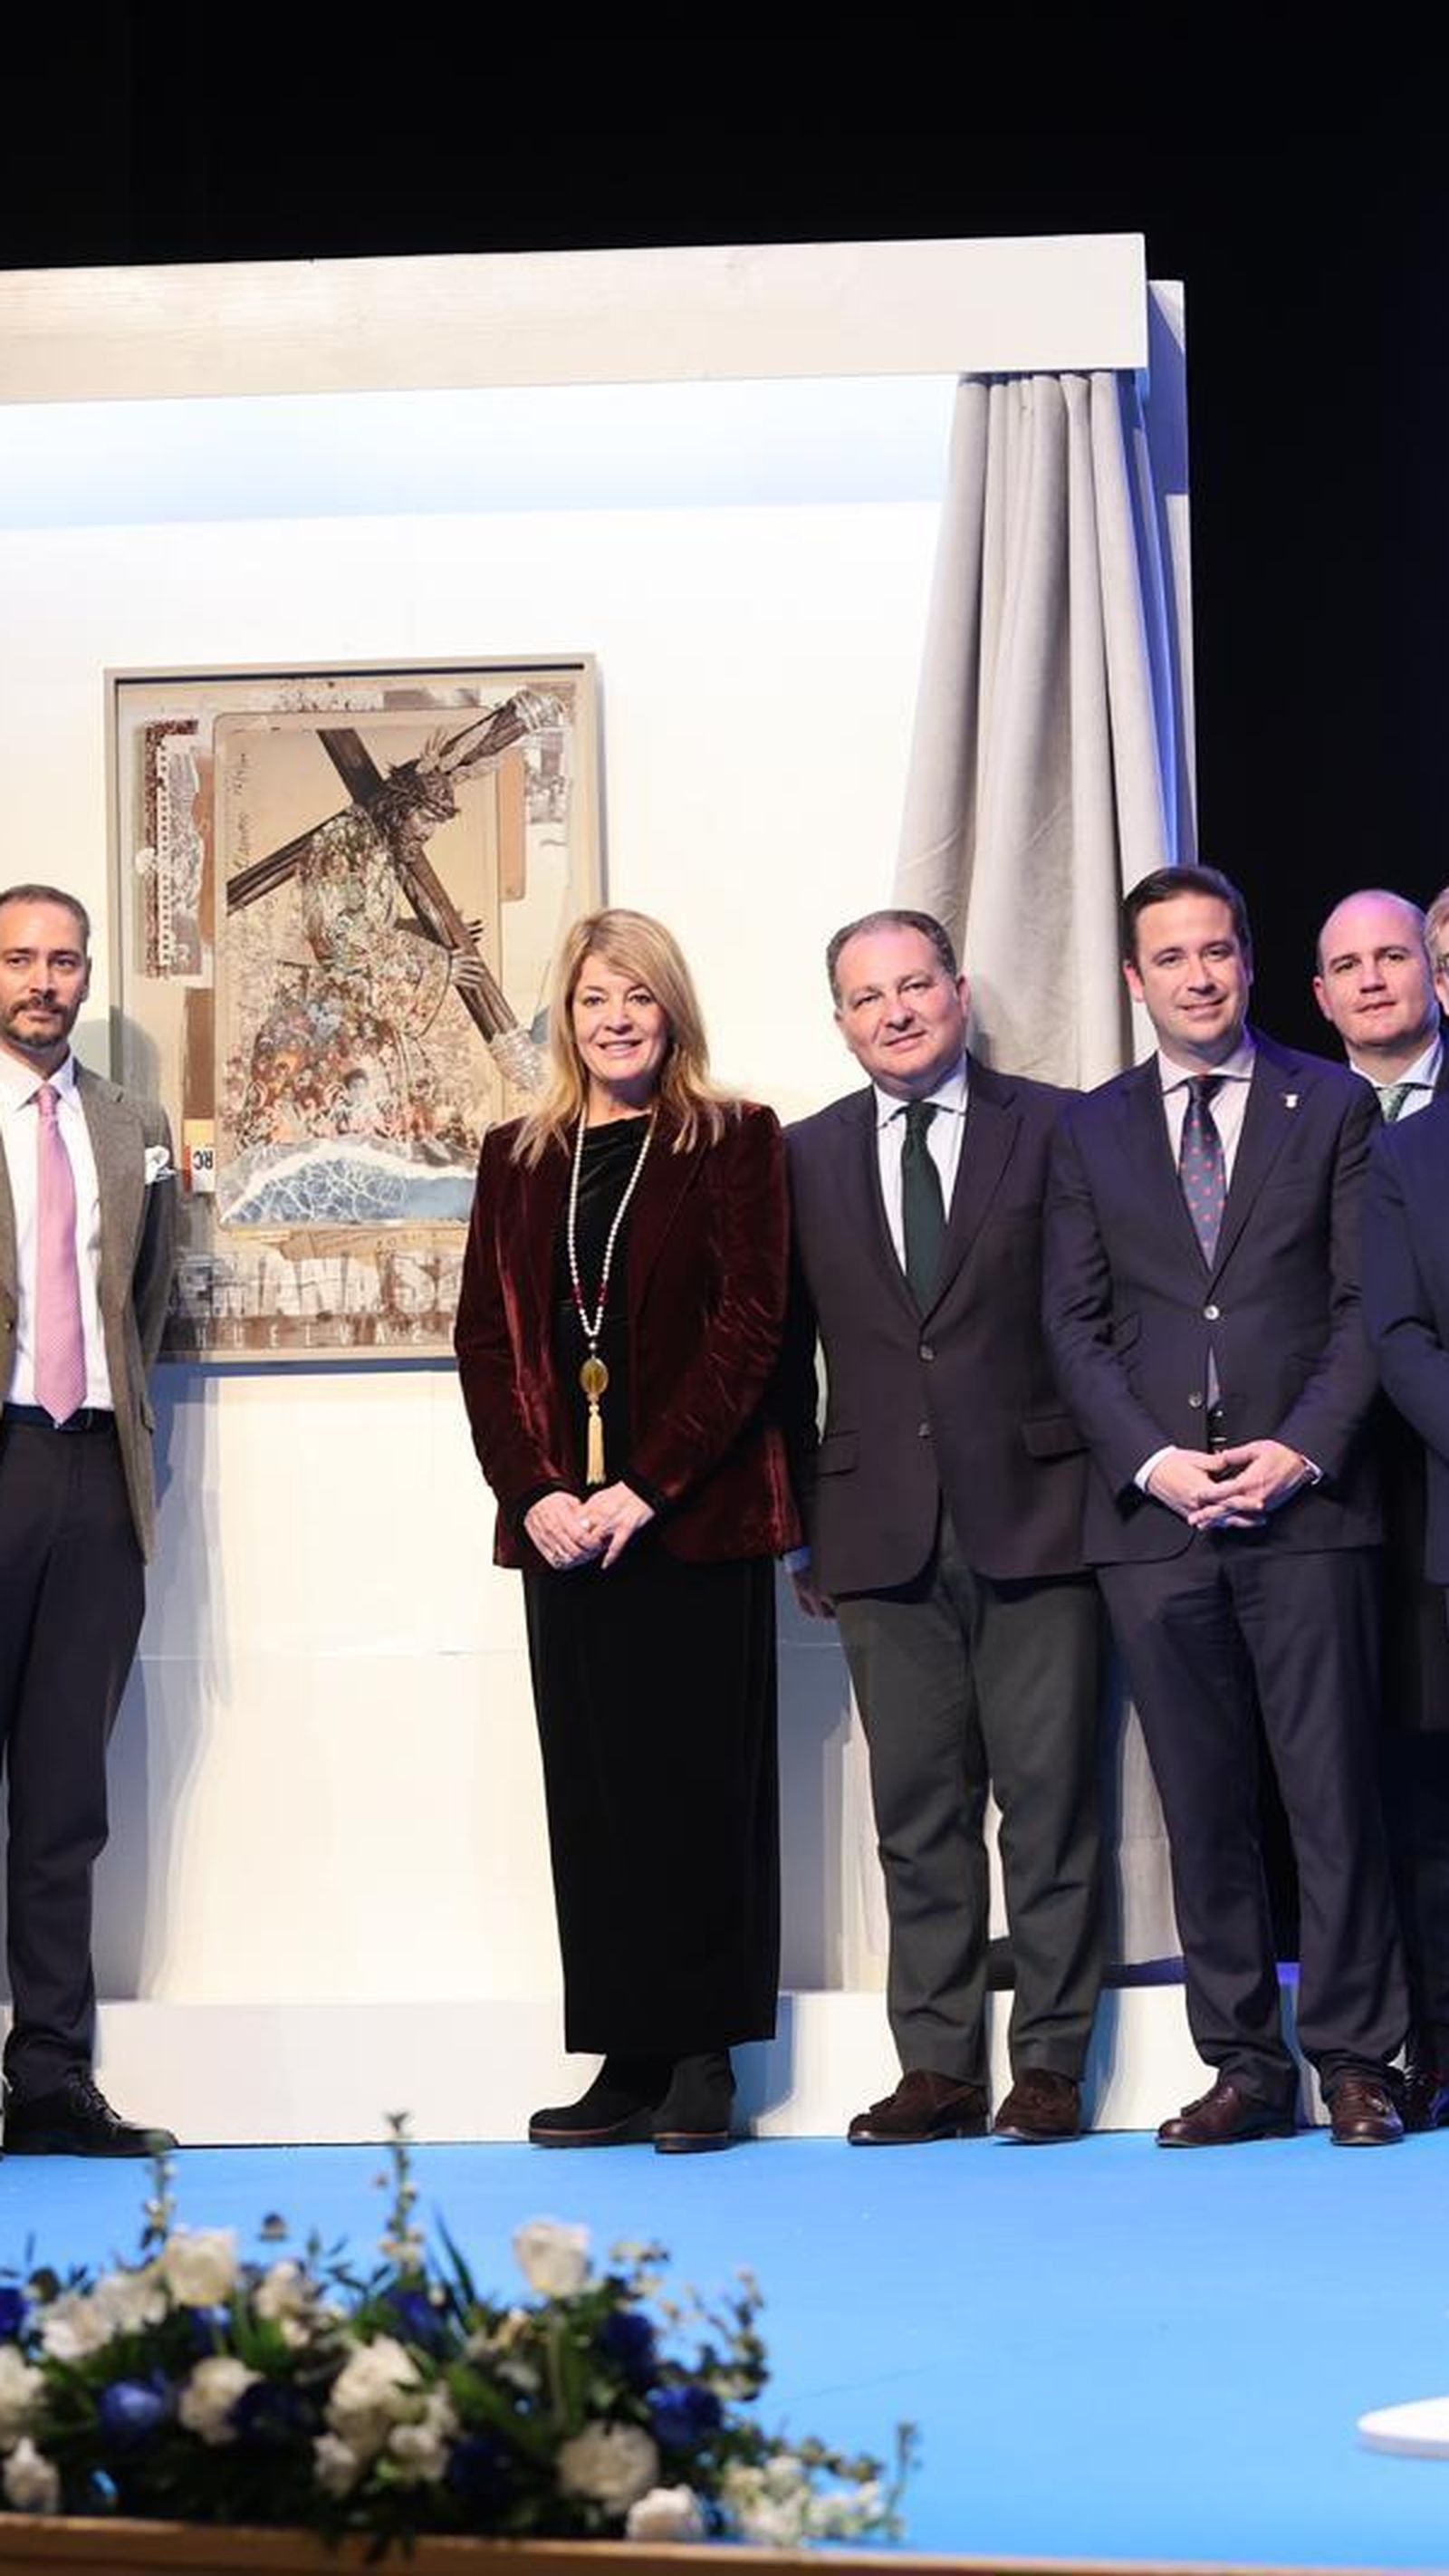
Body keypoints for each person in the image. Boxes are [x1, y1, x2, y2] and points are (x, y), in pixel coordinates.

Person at [1044, 864, 1406, 2147]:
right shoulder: (1088, 1130)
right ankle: (1247, 2068)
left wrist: (1299, 1450)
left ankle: (1360, 2059)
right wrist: (1156, 1462)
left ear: (1247, 964)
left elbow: (1370, 1307)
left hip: (1308, 1510)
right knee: (1204, 1806)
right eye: (1173, 958)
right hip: (1158, 1522)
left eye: (1219, 952)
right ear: (1135, 979)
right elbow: (1074, 1328)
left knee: (1332, 1796)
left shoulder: (1333, 1107)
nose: (1199, 976)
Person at [455, 906, 796, 2152]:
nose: (616, 1020)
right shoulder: (519, 1155)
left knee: (699, 1788)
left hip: (692, 1521)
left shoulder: (734, 1139)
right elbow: (486, 1345)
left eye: (638, 998)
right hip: (562, 1533)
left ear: (673, 1011)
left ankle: (703, 2057)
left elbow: (753, 1330)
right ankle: (625, 2053)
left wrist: (643, 1485)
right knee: (595, 1798)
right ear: (566, 1013)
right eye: (596, 997)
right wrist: (537, 1491)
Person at [784, 908, 1102, 2147]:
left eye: (916, 985)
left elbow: (1097, 1316)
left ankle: (1053, 2065)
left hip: (1041, 1516)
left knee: (1050, 1805)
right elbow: (780, 1357)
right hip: (872, 1531)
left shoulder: (1061, 1126)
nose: (897, 1012)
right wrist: (796, 1524)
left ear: (961, 994)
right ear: (842, 1022)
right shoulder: (803, 1155)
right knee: (916, 1815)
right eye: (869, 998)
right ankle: (939, 2068)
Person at [0, 883, 177, 2157]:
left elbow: (149, 1296)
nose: (42, 983)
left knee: (66, 1800)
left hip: (91, 1478)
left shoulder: (132, 1123)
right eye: (18, 959)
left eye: (64, 961)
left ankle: (49, 2082)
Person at [1314, 887, 1449, 2130]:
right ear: (1319, 994)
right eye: (1346, 965)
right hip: (1361, 1500)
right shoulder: (1304, 1114)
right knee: (1396, 1780)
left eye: (1391, 957)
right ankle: (1411, 2041)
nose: (1372, 980)